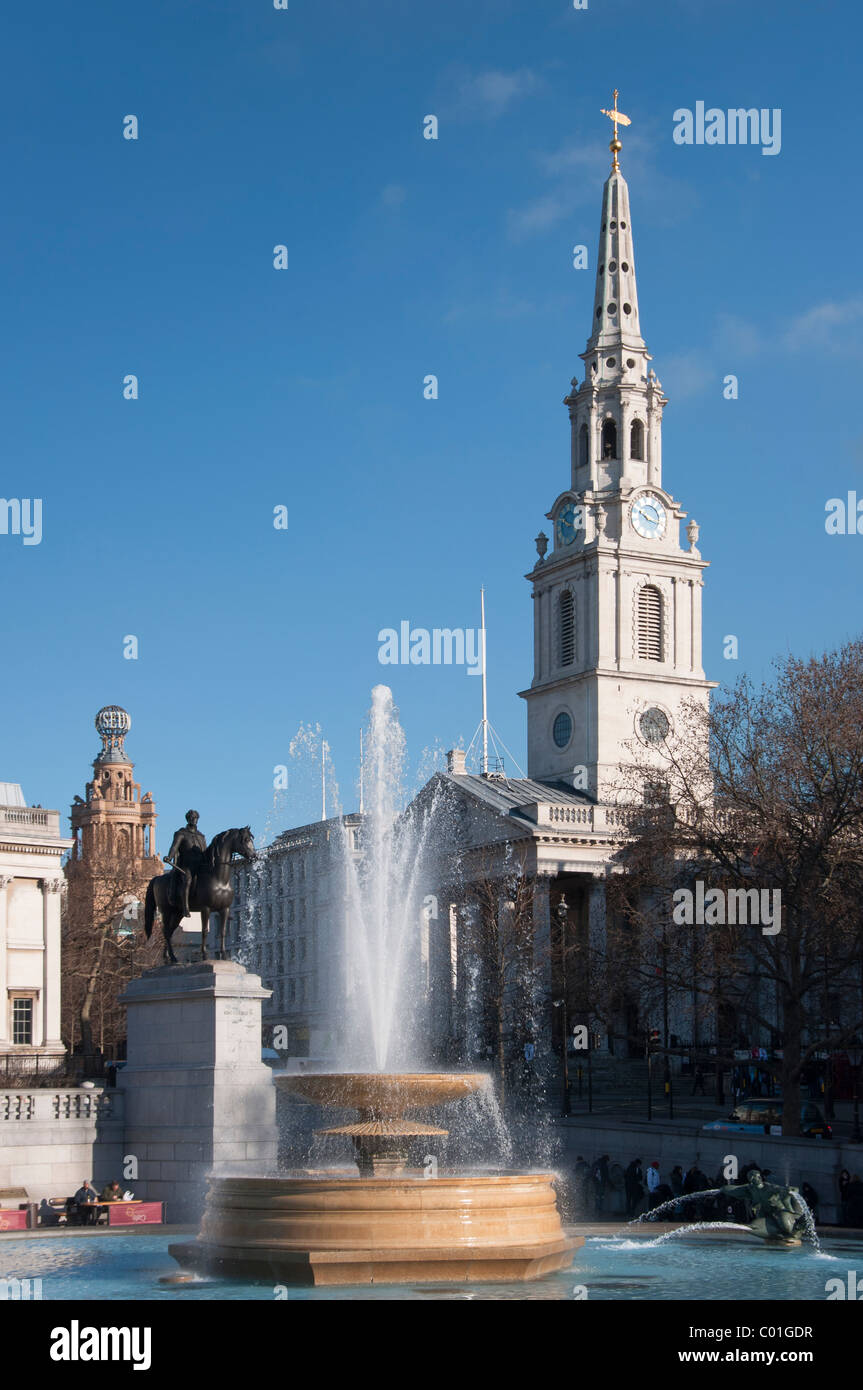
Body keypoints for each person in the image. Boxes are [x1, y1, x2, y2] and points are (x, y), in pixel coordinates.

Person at [163, 809, 207, 918]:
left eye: (196, 818)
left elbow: (205, 851)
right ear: (188, 819)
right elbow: (174, 847)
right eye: (192, 818)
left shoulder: (201, 836)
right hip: (186, 865)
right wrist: (170, 856)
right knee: (188, 879)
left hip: (200, 865)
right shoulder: (181, 833)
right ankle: (185, 907)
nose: (194, 820)